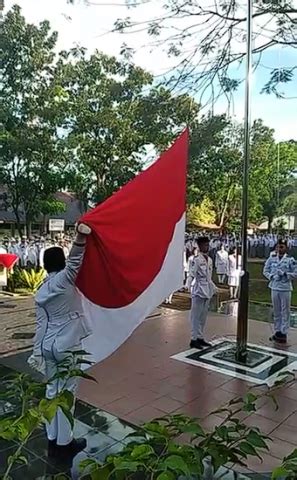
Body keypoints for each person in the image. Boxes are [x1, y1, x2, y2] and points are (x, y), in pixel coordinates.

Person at [28, 223, 92, 457]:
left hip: (48, 347)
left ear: (45, 265)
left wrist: (36, 352)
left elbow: (40, 325)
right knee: (67, 396)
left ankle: (52, 437)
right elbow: (76, 259)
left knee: (52, 392)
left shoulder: (42, 288)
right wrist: (80, 237)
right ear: (62, 262)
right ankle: (65, 443)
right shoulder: (65, 280)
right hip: (67, 346)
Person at [263, 239, 297, 344]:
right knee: (276, 311)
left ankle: (284, 332)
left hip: (285, 287)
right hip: (274, 286)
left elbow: (296, 273)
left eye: (281, 247)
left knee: (285, 311)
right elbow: (265, 270)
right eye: (278, 247)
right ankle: (277, 331)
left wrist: (286, 274)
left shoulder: (291, 260)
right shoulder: (272, 258)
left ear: (286, 248)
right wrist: (272, 276)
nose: (279, 249)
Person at [189, 237, 217, 349]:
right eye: (204, 245)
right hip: (198, 290)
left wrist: (213, 287)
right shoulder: (195, 260)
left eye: (207, 245)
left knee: (203, 316)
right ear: (199, 246)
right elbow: (191, 274)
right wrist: (188, 284)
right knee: (195, 316)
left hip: (207, 290)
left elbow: (209, 277)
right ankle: (193, 338)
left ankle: (200, 337)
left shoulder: (209, 260)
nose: (206, 247)